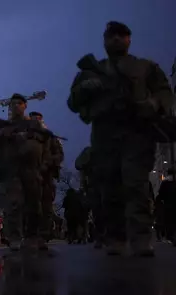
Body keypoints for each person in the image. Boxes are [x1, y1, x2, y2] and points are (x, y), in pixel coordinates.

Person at [68, 21, 174, 256]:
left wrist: (154, 104)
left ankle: (140, 237)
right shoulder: (93, 70)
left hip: (137, 132)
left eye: (121, 35)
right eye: (111, 36)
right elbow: (73, 102)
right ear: (105, 41)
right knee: (110, 187)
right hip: (105, 134)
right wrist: (86, 88)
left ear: (129, 39)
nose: (116, 39)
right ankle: (115, 237)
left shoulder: (145, 67)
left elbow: (164, 92)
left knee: (135, 185)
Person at [0, 94, 47, 251]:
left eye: (19, 103)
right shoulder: (2, 126)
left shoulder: (33, 124)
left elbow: (44, 144)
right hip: (11, 170)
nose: (15, 107)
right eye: (12, 104)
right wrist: (3, 134)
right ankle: (14, 237)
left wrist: (27, 137)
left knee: (33, 204)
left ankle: (32, 236)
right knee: (13, 204)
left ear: (25, 105)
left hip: (30, 168)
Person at [29, 111, 64, 250]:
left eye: (38, 119)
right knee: (31, 206)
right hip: (30, 176)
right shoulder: (26, 137)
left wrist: (49, 163)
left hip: (46, 177)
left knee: (46, 206)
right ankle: (32, 235)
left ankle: (43, 235)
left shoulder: (51, 138)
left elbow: (59, 155)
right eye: (33, 119)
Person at [157, 169, 176, 245]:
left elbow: (161, 194)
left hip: (168, 205)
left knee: (169, 221)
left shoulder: (165, 183)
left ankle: (170, 237)